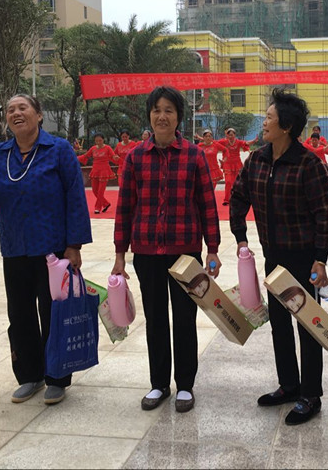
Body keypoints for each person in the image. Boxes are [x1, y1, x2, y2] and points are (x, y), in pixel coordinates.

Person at [0, 94, 92, 406]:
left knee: (52, 313)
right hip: (15, 247)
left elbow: (75, 197)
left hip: (53, 249)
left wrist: (74, 246)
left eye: (23, 107)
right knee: (20, 314)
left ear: (38, 115)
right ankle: (30, 375)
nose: (16, 113)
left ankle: (56, 378)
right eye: (10, 110)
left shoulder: (59, 150)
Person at [112, 86, 222, 414]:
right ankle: (159, 383)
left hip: (185, 252)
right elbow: (125, 207)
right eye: (157, 110)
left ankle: (185, 384)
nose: (162, 116)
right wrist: (120, 254)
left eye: (169, 110)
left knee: (185, 319)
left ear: (178, 117)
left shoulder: (194, 156)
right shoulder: (135, 157)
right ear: (150, 115)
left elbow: (207, 204)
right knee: (156, 318)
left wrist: (213, 249)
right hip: (146, 251)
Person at [230, 89, 328, 426]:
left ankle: (311, 394)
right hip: (273, 258)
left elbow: (325, 213)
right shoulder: (257, 161)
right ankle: (289, 385)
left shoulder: (308, 164)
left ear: (286, 126)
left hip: (304, 260)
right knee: (279, 324)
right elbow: (237, 197)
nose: (264, 123)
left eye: (269, 118)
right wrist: (241, 237)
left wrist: (321, 258)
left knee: (308, 327)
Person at [78, 133, 119, 214]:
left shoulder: (107, 148)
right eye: (96, 141)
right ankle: (106, 203)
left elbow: (113, 156)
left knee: (100, 191)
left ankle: (97, 208)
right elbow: (85, 156)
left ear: (103, 140)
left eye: (100, 140)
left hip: (104, 171)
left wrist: (115, 158)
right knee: (94, 190)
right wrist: (75, 157)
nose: (98, 142)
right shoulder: (93, 148)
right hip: (95, 170)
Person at [218, 128, 258, 206]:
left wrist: (254, 141)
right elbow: (213, 143)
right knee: (228, 182)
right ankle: (226, 199)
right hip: (227, 164)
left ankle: (236, 198)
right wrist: (201, 139)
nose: (230, 136)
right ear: (227, 135)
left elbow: (246, 143)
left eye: (232, 135)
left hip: (237, 164)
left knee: (237, 183)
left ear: (235, 135)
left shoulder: (238, 142)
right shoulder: (224, 142)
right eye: (229, 135)